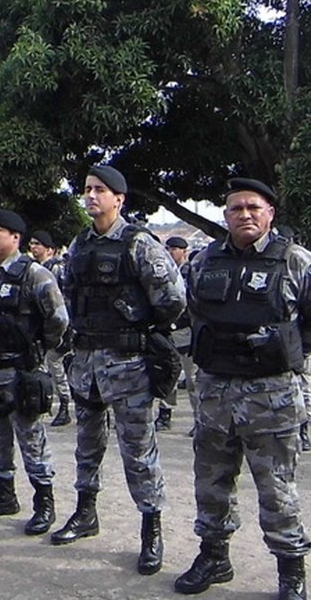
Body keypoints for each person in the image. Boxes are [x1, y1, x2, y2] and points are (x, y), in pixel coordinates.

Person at [174, 178, 311, 599]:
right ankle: (213, 556)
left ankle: (290, 571)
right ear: (225, 216)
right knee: (211, 484)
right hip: (214, 395)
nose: (244, 215)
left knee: (277, 489)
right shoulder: (203, 261)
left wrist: (281, 352)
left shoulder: (298, 262)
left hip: (271, 397)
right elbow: (192, 311)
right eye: (235, 209)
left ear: (270, 214)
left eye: (253, 208)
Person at [52, 165, 185, 576]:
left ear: (119, 199)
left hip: (128, 365)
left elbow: (174, 300)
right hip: (88, 363)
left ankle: (151, 530)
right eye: (88, 189)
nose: (91, 196)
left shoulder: (139, 243)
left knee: (139, 452)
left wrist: (141, 329)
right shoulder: (79, 244)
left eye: (100, 190)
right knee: (87, 446)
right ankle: (85, 512)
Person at [0, 210, 68, 535]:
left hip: (22, 372)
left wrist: (36, 350)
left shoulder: (35, 275)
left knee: (32, 441)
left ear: (16, 237)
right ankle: (3, 496)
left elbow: (58, 320)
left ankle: (44, 503)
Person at [28, 229, 74, 427]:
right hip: (42, 327)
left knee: (56, 366)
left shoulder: (55, 269)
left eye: (38, 244)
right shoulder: (35, 269)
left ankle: (64, 404)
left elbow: (64, 299)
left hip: (58, 326)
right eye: (32, 243)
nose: (33, 247)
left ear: (50, 249)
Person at [158, 235, 196, 432]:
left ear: (184, 251)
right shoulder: (164, 272)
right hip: (168, 330)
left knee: (192, 379)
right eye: (169, 248)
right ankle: (165, 413)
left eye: (175, 249)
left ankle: (199, 419)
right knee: (169, 372)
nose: (171, 252)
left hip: (186, 330)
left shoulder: (191, 271)